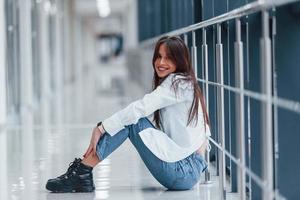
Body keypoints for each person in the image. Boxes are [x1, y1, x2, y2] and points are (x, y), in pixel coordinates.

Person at [45, 35, 211, 193]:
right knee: (130, 119)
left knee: (131, 120)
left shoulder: (178, 83)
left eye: (168, 58)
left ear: (180, 61)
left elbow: (140, 108)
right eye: (158, 56)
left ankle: (83, 171)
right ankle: (83, 171)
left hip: (184, 171)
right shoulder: (186, 83)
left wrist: (101, 128)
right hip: (187, 169)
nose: (161, 62)